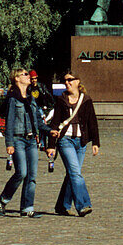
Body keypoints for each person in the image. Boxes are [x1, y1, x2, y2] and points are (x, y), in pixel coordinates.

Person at [0, 67, 51, 218]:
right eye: (25, 74)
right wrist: (9, 143)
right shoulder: (12, 98)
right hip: (18, 139)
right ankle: (3, 199)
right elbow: (10, 121)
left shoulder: (31, 98)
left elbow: (38, 121)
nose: (29, 76)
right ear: (17, 79)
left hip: (32, 140)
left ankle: (27, 208)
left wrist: (49, 130)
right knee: (21, 172)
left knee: (32, 175)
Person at [49, 72, 100, 217]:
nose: (67, 83)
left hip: (81, 142)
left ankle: (62, 206)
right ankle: (83, 205)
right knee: (75, 173)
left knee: (72, 174)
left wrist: (95, 142)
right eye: (65, 80)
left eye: (70, 80)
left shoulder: (86, 100)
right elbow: (55, 122)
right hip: (66, 140)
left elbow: (92, 122)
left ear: (78, 81)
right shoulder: (61, 100)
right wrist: (51, 145)